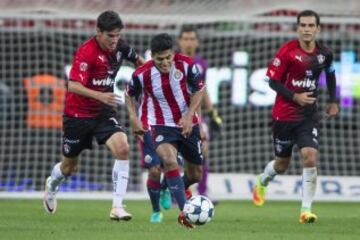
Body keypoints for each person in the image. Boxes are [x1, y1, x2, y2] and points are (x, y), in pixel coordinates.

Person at [43, 10, 144, 221]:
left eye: (117, 35)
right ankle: (52, 183)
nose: (114, 40)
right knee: (69, 168)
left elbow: (139, 62)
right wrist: (100, 95)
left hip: (103, 112)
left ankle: (117, 207)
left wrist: (153, 74)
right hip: (77, 115)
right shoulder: (86, 52)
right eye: (110, 36)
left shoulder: (121, 47)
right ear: (98, 31)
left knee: (123, 147)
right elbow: (72, 85)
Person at [252, 10, 339, 223]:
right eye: (303, 25)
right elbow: (272, 82)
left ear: (318, 28)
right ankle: (263, 180)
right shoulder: (287, 52)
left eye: (311, 25)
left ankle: (305, 210)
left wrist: (333, 101)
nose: (307, 29)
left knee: (310, 156)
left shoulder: (325, 53)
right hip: (283, 116)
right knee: (281, 165)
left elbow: (331, 75)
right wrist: (295, 96)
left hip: (308, 116)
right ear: (298, 28)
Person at [125, 33, 205, 229]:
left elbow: (199, 90)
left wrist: (190, 116)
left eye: (168, 57)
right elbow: (128, 95)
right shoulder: (142, 74)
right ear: (152, 56)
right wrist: (133, 119)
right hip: (160, 125)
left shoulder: (187, 65)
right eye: (160, 59)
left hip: (187, 124)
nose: (165, 62)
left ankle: (165, 187)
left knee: (195, 175)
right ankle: (184, 212)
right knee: (169, 161)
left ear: (173, 54)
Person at [177, 25, 222, 201]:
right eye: (185, 38)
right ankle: (176, 192)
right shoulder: (171, 62)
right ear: (179, 41)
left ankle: (203, 192)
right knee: (174, 156)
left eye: (192, 39)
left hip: (196, 116)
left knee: (203, 150)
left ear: (197, 42)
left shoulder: (201, 64)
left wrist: (212, 113)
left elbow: (203, 90)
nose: (188, 42)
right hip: (173, 115)